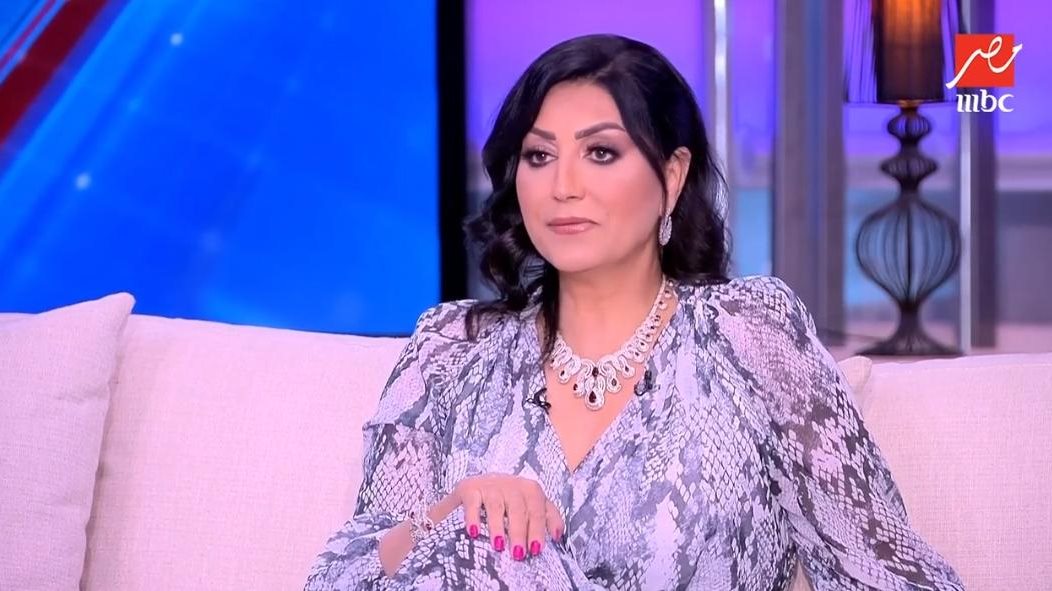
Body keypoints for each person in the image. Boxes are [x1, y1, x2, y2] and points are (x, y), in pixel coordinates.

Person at [305, 34, 965, 590]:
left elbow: (887, 572)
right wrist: (447, 518)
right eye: (539, 156)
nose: (563, 186)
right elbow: (339, 575)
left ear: (672, 176)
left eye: (601, 152)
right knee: (483, 549)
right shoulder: (450, 347)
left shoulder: (749, 331)